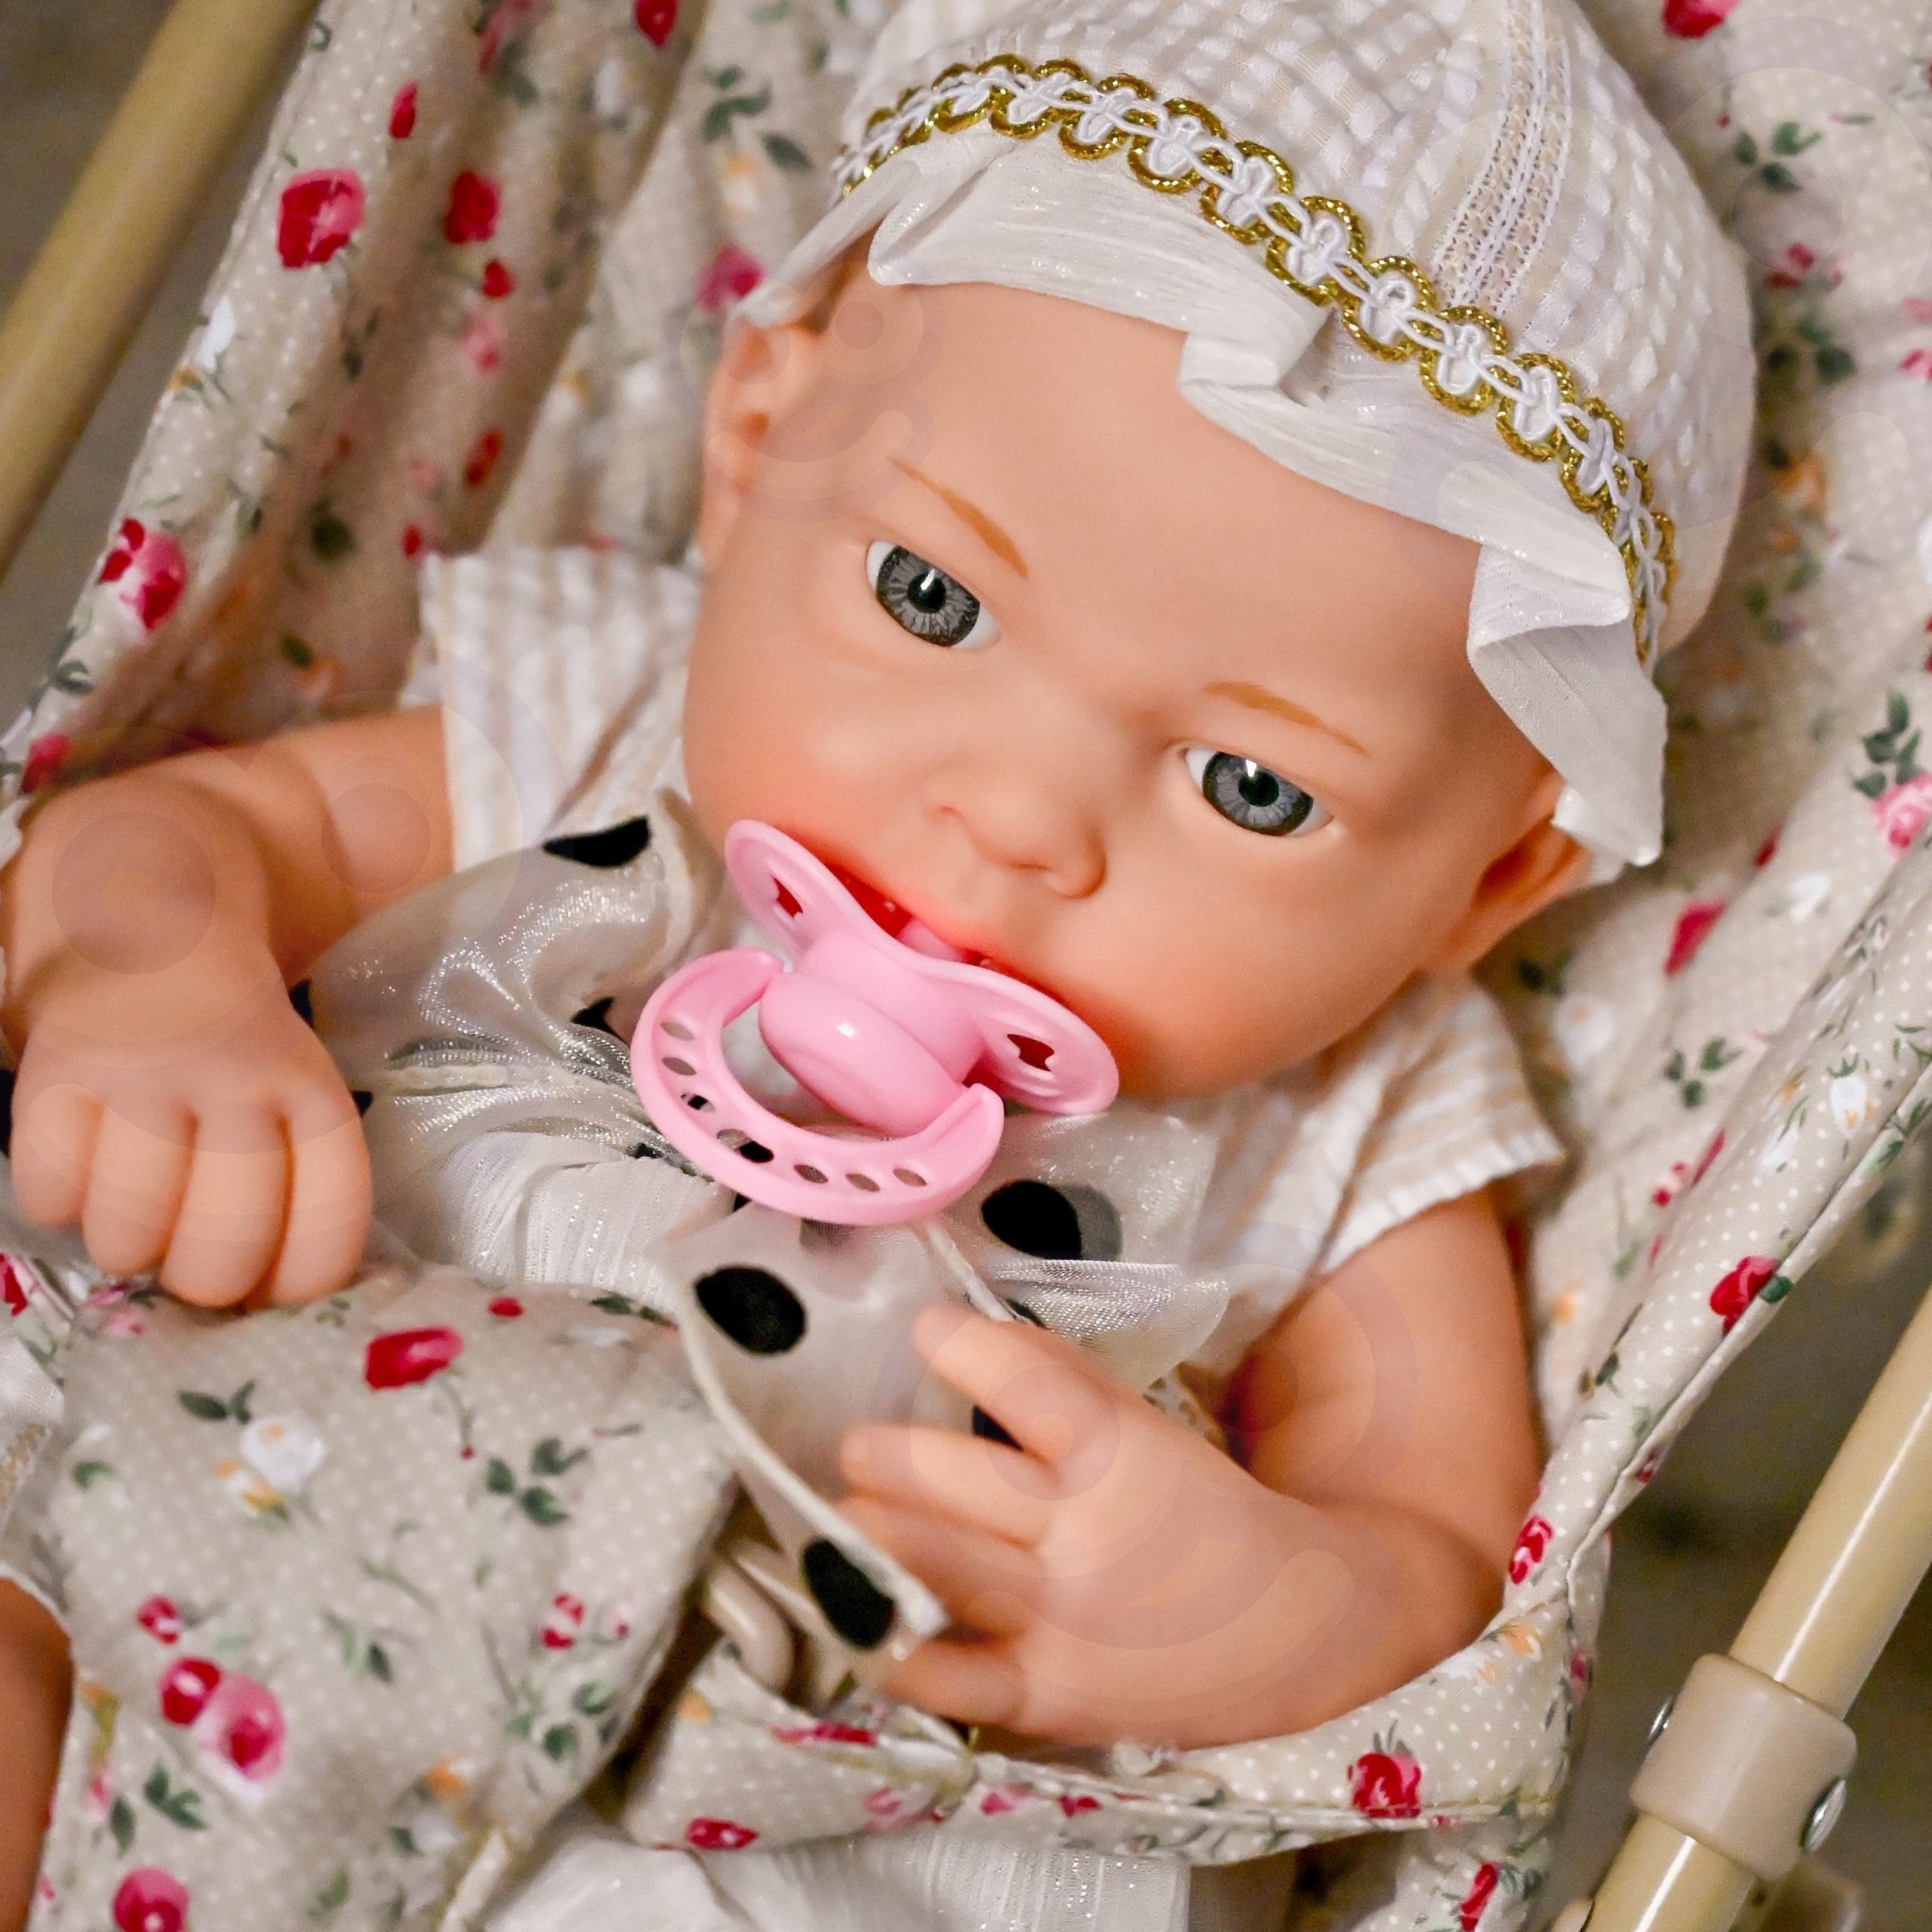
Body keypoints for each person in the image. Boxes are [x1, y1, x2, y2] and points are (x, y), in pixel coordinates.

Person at [0, 0, 1754, 1924]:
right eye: (931, 597)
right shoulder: (599, 721)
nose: (1014, 814)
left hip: (783, 1817)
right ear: (755, 446)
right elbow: (195, 834)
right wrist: (160, 979)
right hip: (230, 1523)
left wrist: (1244, 1599)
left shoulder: (1357, 1100)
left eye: (1250, 786)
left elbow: (1428, 1536)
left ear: (1487, 881)